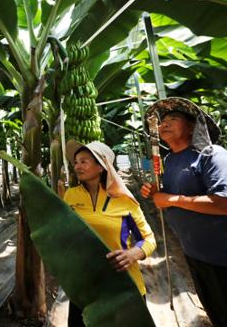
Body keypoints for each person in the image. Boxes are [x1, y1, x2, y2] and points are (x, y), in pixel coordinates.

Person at [140, 97, 227, 327]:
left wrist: (173, 199)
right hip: (198, 258)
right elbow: (179, 194)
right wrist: (157, 192)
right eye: (162, 121)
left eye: (173, 119)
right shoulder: (171, 160)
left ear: (193, 126)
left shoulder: (213, 155)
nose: (164, 124)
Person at [64, 140, 156, 327]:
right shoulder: (70, 196)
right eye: (76, 162)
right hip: (85, 285)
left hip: (122, 284)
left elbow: (148, 239)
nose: (77, 166)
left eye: (84, 161)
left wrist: (132, 254)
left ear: (101, 167)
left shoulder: (124, 200)